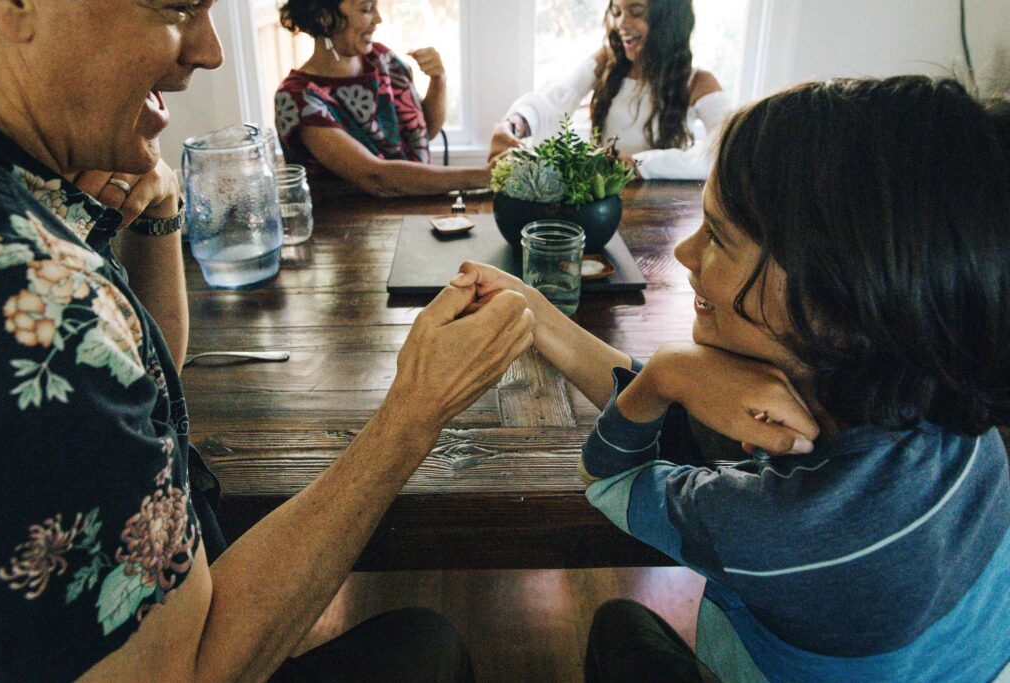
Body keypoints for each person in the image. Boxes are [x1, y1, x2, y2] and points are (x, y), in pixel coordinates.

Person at [0, 1, 534, 681]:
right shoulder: (32, 295)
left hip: (175, 586)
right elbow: (183, 669)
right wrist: (415, 410)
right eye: (176, 6)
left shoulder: (35, 190)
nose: (211, 51)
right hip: (192, 645)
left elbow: (151, 374)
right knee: (429, 642)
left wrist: (160, 210)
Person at [456, 75, 1010, 681]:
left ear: (838, 306)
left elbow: (610, 476)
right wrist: (532, 309)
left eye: (716, 235)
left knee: (618, 625)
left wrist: (668, 373)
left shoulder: (774, 525)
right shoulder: (958, 425)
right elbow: (693, 407)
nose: (686, 255)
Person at [489, 0, 731, 180]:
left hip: (663, 207)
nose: (621, 24)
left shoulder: (699, 82)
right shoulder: (607, 62)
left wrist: (637, 164)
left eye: (636, 12)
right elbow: (559, 98)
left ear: (668, 19)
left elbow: (724, 153)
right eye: (616, 12)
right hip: (604, 197)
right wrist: (515, 121)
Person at [274, 0, 492, 197]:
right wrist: (485, 176)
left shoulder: (383, 59)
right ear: (323, 17)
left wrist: (439, 79)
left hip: (414, 210)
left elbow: (423, 133)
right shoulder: (297, 98)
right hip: (348, 233)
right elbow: (375, 178)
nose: (378, 19)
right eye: (367, 8)